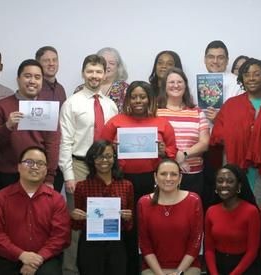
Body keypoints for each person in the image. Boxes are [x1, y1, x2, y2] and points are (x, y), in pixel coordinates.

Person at [100, 80, 177, 274]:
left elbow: (173, 152)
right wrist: (111, 150)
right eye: (134, 97)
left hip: (152, 182)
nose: (138, 101)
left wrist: (163, 150)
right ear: (128, 100)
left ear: (150, 99)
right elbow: (99, 150)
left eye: (142, 97)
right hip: (121, 181)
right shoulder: (115, 121)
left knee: (151, 226)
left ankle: (154, 269)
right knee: (125, 227)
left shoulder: (162, 123)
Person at [59, 54, 118, 275]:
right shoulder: (72, 103)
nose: (94, 76)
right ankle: (70, 270)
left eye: (98, 72)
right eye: (90, 71)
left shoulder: (110, 105)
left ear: (105, 74)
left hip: (105, 168)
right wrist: (68, 175)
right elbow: (65, 141)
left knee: (104, 220)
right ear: (83, 73)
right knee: (77, 223)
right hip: (80, 165)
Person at [210, 58, 261, 206]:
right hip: (238, 166)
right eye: (246, 74)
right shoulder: (231, 105)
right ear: (241, 78)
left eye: (256, 74)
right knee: (238, 210)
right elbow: (218, 137)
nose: (251, 78)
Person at [0, 146, 70, 275]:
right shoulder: (0, 198)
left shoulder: (56, 200)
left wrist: (38, 259)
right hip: (9, 259)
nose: (35, 167)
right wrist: (22, 255)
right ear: (18, 167)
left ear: (46, 170)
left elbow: (61, 236)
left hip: (45, 260)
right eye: (29, 162)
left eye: (40, 163)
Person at [0, 59, 60, 193]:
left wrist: (49, 178)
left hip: (38, 174)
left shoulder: (49, 109)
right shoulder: (1, 106)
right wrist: (7, 126)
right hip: (9, 175)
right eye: (28, 76)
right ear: (18, 79)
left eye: (37, 77)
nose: (32, 81)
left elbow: (53, 145)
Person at [70, 141, 134, 275]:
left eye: (108, 156)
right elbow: (76, 226)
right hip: (90, 246)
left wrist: (128, 217)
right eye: (99, 156)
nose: (104, 160)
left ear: (114, 158)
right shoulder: (82, 186)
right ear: (92, 160)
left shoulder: (126, 186)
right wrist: (75, 216)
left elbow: (129, 226)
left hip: (116, 245)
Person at [137, 159, 203, 275]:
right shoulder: (144, 202)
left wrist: (178, 272)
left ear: (180, 178)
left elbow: (195, 242)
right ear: (155, 177)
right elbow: (144, 244)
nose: (168, 178)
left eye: (173, 174)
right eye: (163, 174)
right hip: (153, 269)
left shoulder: (193, 200)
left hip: (187, 268)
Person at [156, 68, 209, 196]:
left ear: (185, 85)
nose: (176, 85)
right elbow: (156, 143)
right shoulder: (156, 112)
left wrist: (183, 154)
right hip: (165, 174)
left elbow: (205, 143)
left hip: (192, 174)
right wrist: (175, 158)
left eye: (179, 82)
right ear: (164, 86)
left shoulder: (197, 112)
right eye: (171, 82)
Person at [204, 164, 261, 275]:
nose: (224, 185)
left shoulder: (251, 211)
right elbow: (208, 249)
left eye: (230, 181)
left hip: (244, 268)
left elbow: (252, 251)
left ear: (239, 186)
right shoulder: (211, 211)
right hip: (216, 267)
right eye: (220, 181)